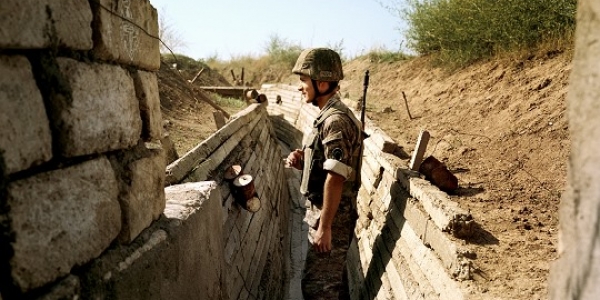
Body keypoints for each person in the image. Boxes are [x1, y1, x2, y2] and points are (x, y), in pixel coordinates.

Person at [286, 48, 362, 299]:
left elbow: (337, 176)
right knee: (327, 285)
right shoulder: (327, 116)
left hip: (333, 217)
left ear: (321, 83)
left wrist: (325, 227)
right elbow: (327, 162)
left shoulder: (335, 120)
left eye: (303, 81)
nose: (300, 87)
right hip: (326, 213)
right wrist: (304, 161)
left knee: (319, 289)